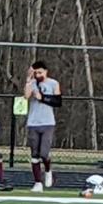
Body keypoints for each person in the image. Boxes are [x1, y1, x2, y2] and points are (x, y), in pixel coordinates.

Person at [24, 61, 61, 192]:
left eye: (40, 72)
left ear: (46, 71)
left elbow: (58, 101)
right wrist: (29, 80)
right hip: (33, 122)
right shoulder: (32, 83)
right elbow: (26, 96)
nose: (38, 75)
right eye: (36, 73)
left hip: (48, 123)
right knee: (34, 154)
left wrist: (42, 97)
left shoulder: (53, 83)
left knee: (44, 153)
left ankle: (48, 170)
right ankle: (37, 182)